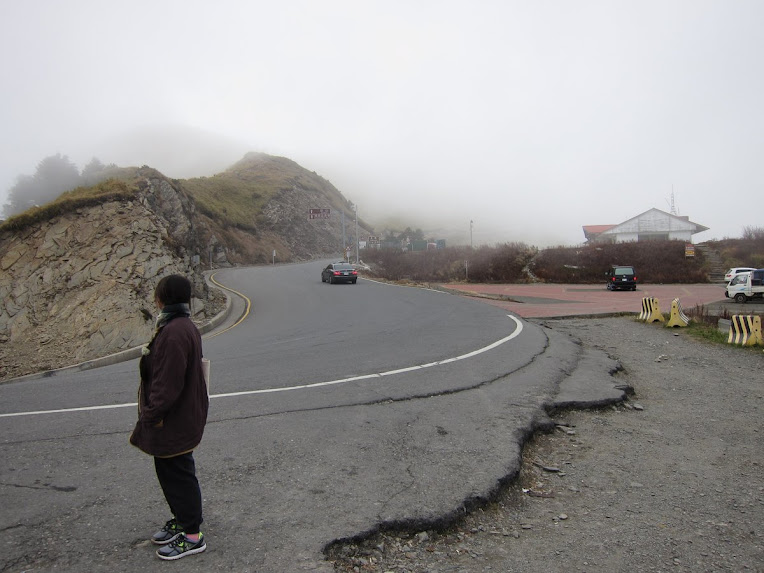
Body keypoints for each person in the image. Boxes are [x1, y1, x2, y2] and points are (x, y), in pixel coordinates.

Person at [129, 274, 209, 560]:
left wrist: (150, 416)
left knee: (179, 475)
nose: (155, 298)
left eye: (157, 294)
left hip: (174, 420)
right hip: (179, 417)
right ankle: (182, 519)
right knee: (171, 473)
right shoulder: (180, 325)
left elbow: (168, 384)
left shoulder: (175, 331)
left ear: (163, 297)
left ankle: (192, 536)